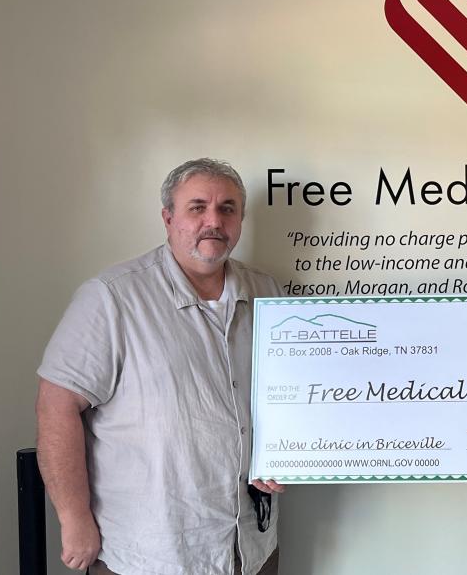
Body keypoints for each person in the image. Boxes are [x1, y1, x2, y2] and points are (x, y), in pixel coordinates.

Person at [36, 158, 285, 574]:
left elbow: (286, 399)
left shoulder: (267, 293)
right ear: (168, 218)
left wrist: (284, 453)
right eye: (197, 207)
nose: (214, 221)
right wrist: (74, 518)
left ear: (241, 219)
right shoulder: (112, 297)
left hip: (249, 546)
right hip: (149, 551)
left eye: (227, 208)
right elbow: (56, 405)